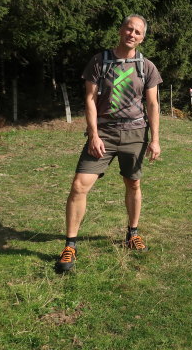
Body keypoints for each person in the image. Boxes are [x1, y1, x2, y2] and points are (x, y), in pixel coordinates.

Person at [56, 14, 162, 272]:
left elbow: (152, 104)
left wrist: (156, 140)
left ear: (142, 37)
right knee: (79, 185)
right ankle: (70, 245)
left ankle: (132, 233)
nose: (132, 34)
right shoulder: (99, 61)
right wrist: (93, 134)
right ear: (120, 30)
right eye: (129, 28)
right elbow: (90, 99)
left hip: (136, 134)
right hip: (103, 134)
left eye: (137, 32)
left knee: (133, 183)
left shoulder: (146, 66)